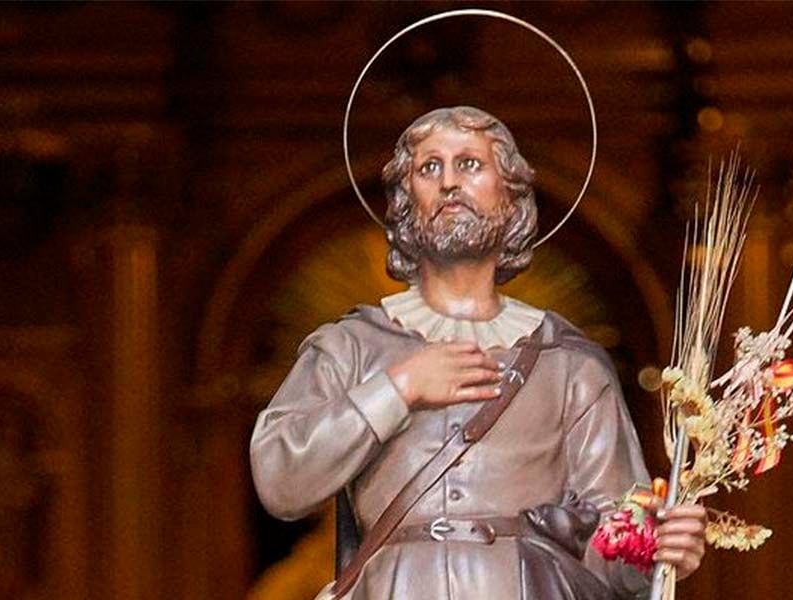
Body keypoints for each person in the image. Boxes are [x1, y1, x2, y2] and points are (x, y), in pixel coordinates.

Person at [250, 106, 706, 599]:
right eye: (429, 167)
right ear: (406, 200)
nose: (449, 182)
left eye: (469, 164)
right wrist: (398, 388)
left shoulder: (569, 364)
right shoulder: (349, 346)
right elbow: (281, 481)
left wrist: (657, 547)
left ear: (510, 196)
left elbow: (609, 544)